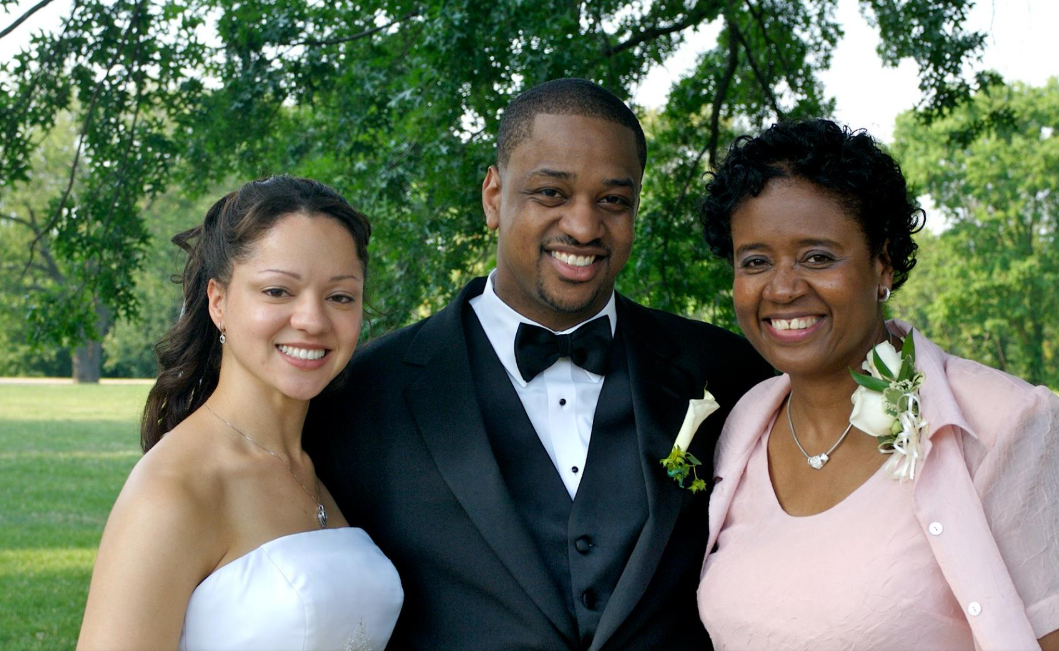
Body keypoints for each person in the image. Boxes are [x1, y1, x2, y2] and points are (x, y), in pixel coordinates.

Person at [306, 78, 771, 650]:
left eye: (613, 201)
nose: (583, 226)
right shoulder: (361, 394)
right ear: (494, 196)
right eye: (551, 193)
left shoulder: (729, 373)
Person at [695, 120, 1059, 650]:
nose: (783, 287)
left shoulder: (1003, 422)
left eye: (818, 257)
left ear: (884, 263)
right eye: (756, 261)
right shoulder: (744, 424)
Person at [77, 177, 402, 651]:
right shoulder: (174, 490)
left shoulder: (330, 462)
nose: (312, 319)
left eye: (340, 297)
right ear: (219, 302)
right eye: (277, 291)